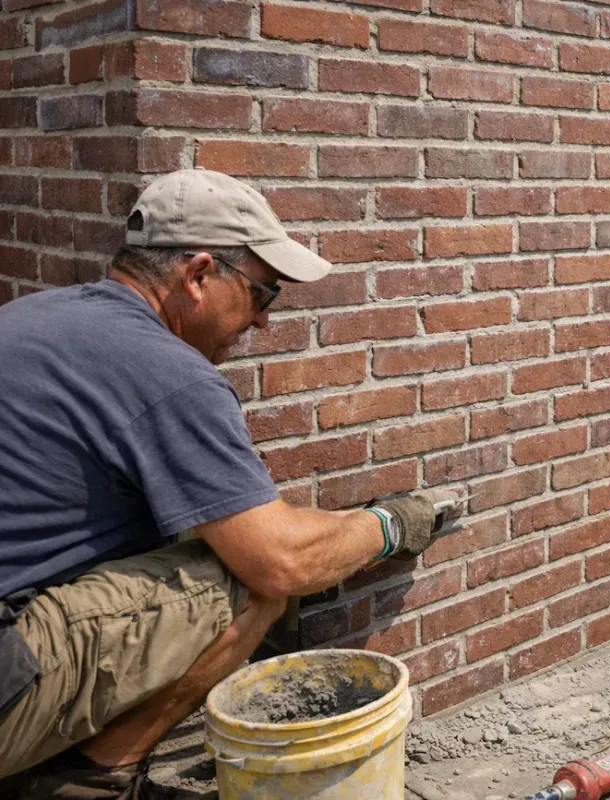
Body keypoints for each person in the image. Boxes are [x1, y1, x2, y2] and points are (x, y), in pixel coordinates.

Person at [0, 169, 461, 798]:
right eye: (263, 295)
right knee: (247, 581)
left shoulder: (33, 316)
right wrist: (389, 525)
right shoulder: (167, 372)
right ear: (197, 275)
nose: (265, 323)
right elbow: (280, 561)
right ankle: (92, 781)